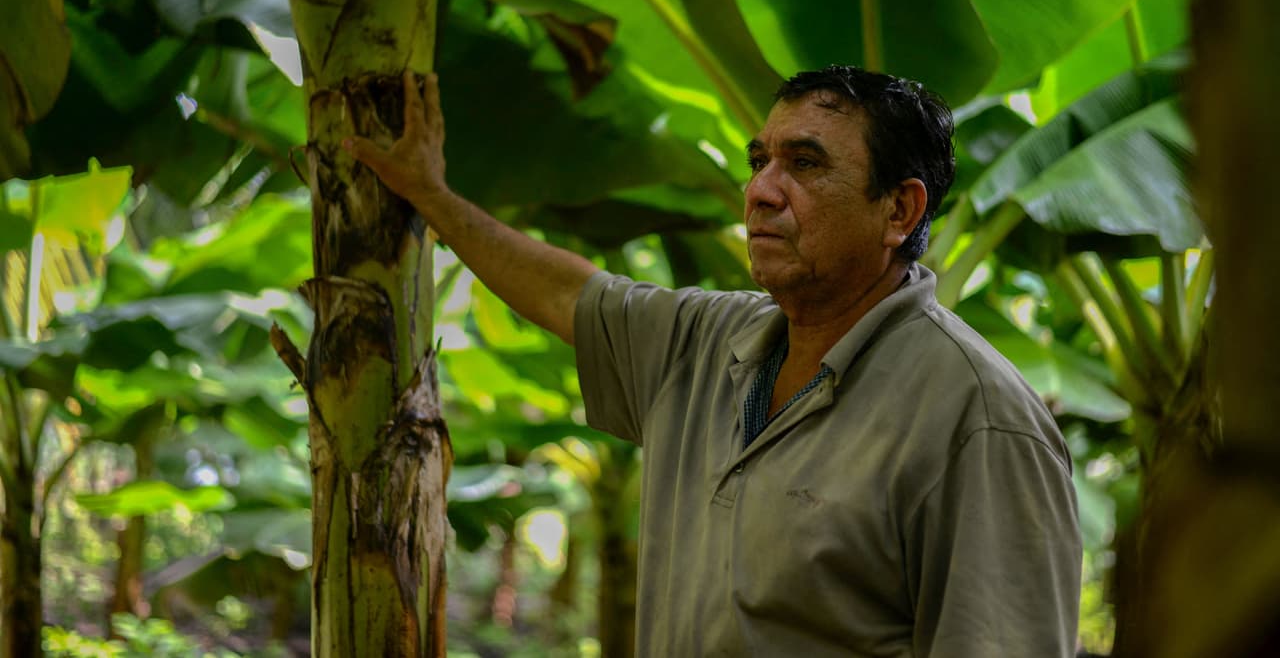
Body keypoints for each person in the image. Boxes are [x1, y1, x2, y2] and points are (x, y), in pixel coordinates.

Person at [346, 65, 1082, 657]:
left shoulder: (977, 416)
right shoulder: (708, 341)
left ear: (900, 211)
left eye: (805, 164)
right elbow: (567, 291)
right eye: (760, 160)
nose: (760, 192)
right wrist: (429, 195)